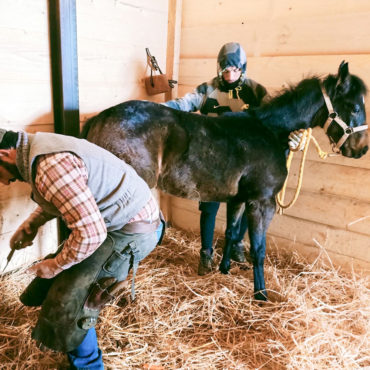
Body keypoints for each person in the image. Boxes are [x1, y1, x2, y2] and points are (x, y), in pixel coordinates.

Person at [0, 128, 164, 369]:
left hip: (130, 231)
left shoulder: (50, 166)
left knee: (72, 302)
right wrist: (32, 224)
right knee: (61, 278)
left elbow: (91, 234)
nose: (3, 182)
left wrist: (55, 266)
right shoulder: (40, 148)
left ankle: (89, 366)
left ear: (3, 154)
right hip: (114, 222)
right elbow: (69, 196)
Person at [163, 42, 268, 274]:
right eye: (225, 70)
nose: (230, 75)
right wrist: (161, 110)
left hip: (244, 162)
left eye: (235, 70)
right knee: (209, 209)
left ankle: (238, 246)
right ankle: (206, 254)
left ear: (243, 69)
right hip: (212, 162)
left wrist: (294, 135)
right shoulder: (207, 89)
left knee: (242, 204)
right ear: (219, 69)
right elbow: (185, 103)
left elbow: (275, 115)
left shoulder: (256, 91)